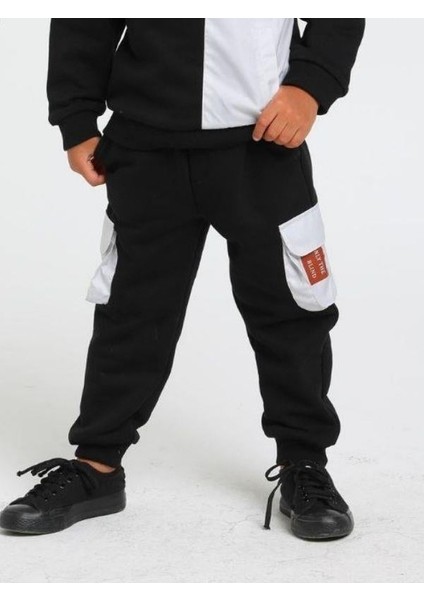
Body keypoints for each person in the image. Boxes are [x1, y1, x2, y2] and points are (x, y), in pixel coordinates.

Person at [0, 18, 365, 539]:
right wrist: (76, 116)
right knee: (131, 310)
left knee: (291, 310)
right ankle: (97, 465)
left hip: (263, 141)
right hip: (146, 143)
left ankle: (304, 463)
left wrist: (311, 84)